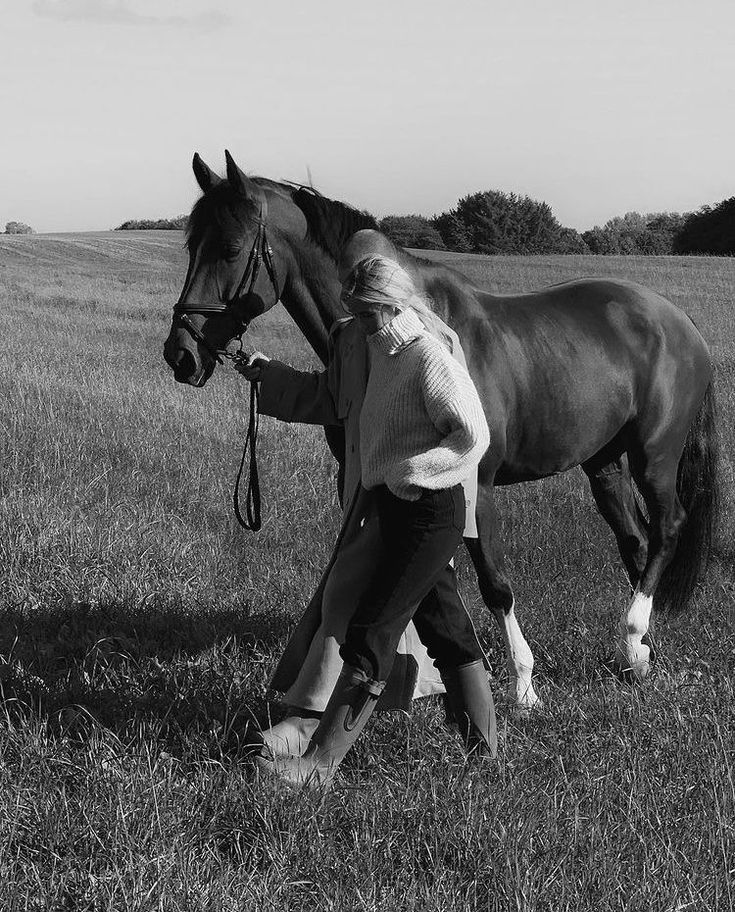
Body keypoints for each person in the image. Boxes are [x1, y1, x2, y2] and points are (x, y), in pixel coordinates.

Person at [240, 255, 497, 788]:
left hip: (428, 511)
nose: (355, 325)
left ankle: (320, 766)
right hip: (396, 509)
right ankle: (486, 756)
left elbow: (473, 434)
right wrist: (268, 376)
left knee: (373, 630)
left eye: (362, 314)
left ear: (387, 305)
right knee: (445, 628)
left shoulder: (427, 355)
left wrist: (413, 472)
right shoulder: (378, 350)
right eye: (351, 313)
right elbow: (338, 398)